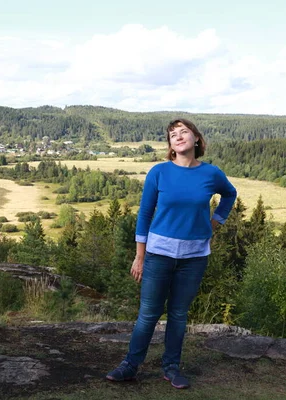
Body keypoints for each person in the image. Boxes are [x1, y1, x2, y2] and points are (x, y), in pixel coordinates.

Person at [106, 118, 237, 389]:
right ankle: (130, 365)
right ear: (170, 145)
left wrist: (216, 222)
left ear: (197, 139)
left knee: (178, 314)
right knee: (148, 314)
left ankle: (171, 368)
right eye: (172, 135)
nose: (177, 137)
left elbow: (230, 194)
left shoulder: (211, 174)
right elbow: (144, 214)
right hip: (158, 254)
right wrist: (139, 256)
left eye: (184, 132)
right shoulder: (159, 172)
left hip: (194, 257)